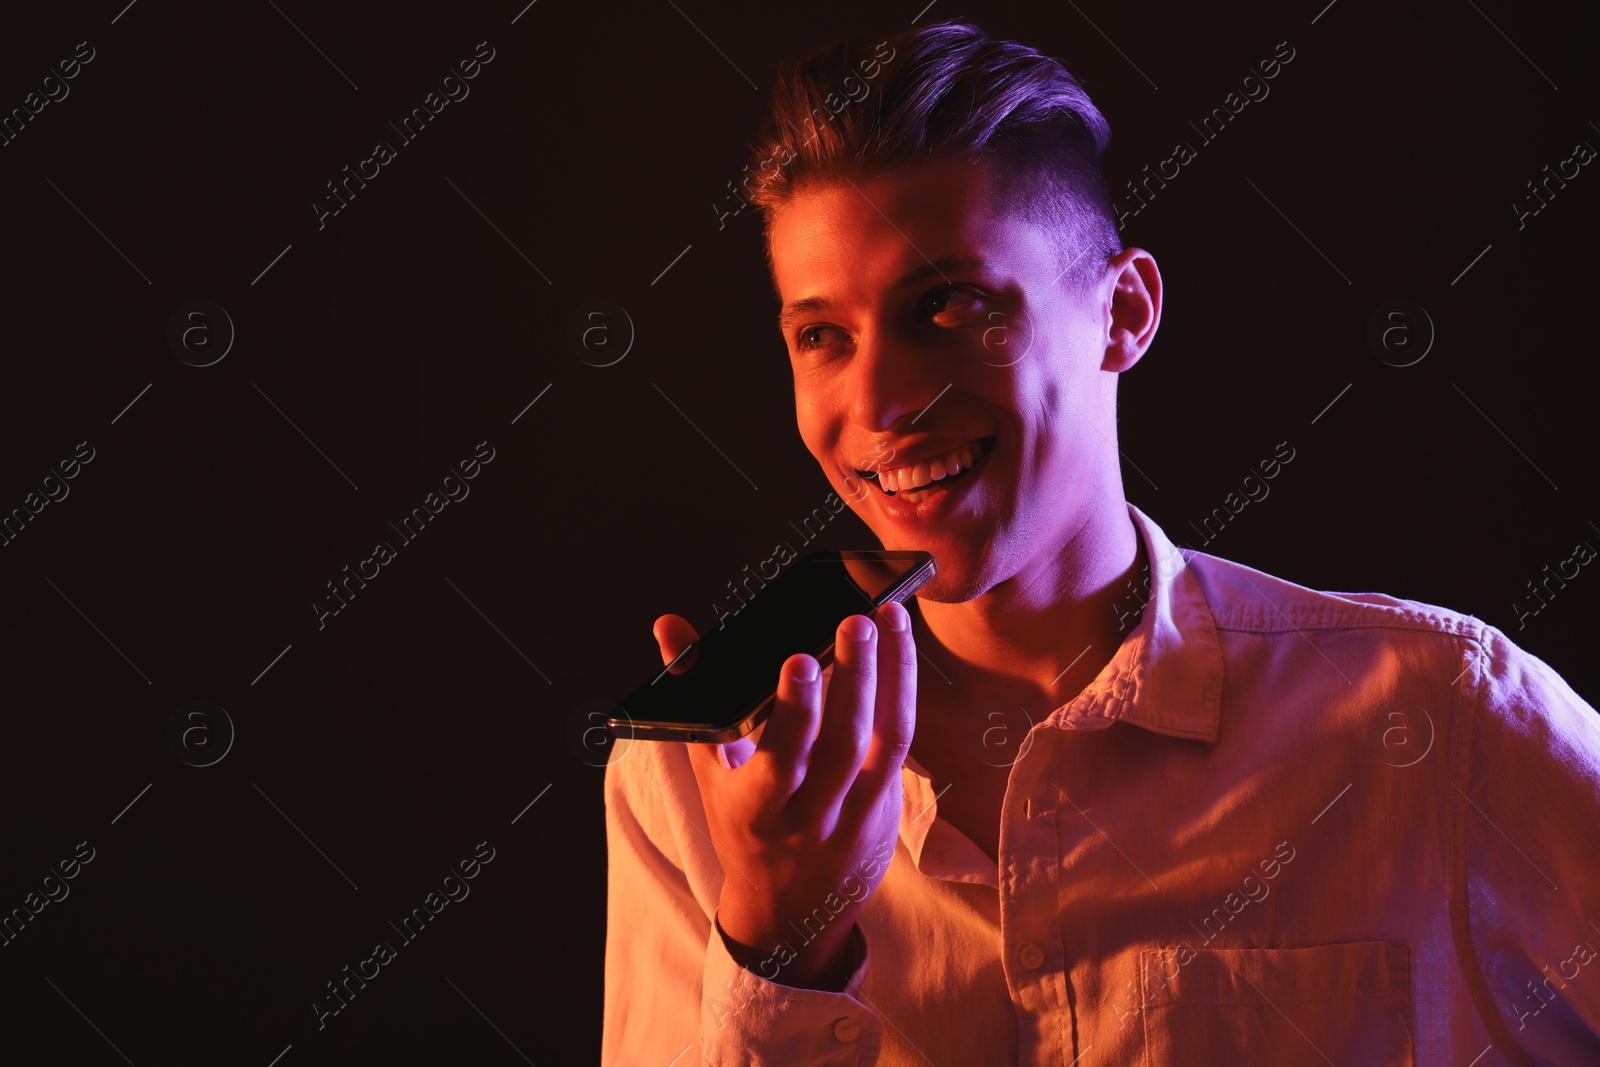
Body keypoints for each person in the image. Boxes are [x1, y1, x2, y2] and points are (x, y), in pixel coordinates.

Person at [602, 19, 1600, 1065]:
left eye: (946, 306)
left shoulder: (1438, 718)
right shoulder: (691, 774)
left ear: (1122, 311)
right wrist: (775, 940)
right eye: (821, 336)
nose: (881, 402)